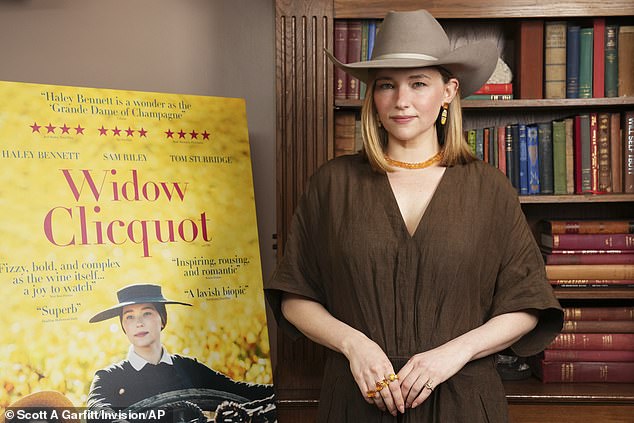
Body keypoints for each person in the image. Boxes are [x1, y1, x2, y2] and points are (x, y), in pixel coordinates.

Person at [265, 9, 563, 422]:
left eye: (418, 83)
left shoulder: (490, 189)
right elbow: (296, 296)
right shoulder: (332, 185)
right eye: (387, 85)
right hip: (357, 399)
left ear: (448, 91)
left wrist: (452, 355)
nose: (401, 101)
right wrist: (356, 346)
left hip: (463, 400)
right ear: (373, 94)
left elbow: (528, 305)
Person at [86, 283, 274, 421]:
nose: (139, 323)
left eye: (147, 313)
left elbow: (239, 391)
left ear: (162, 320)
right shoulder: (109, 377)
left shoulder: (188, 368)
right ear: (124, 326)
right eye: (129, 317)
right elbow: (95, 409)